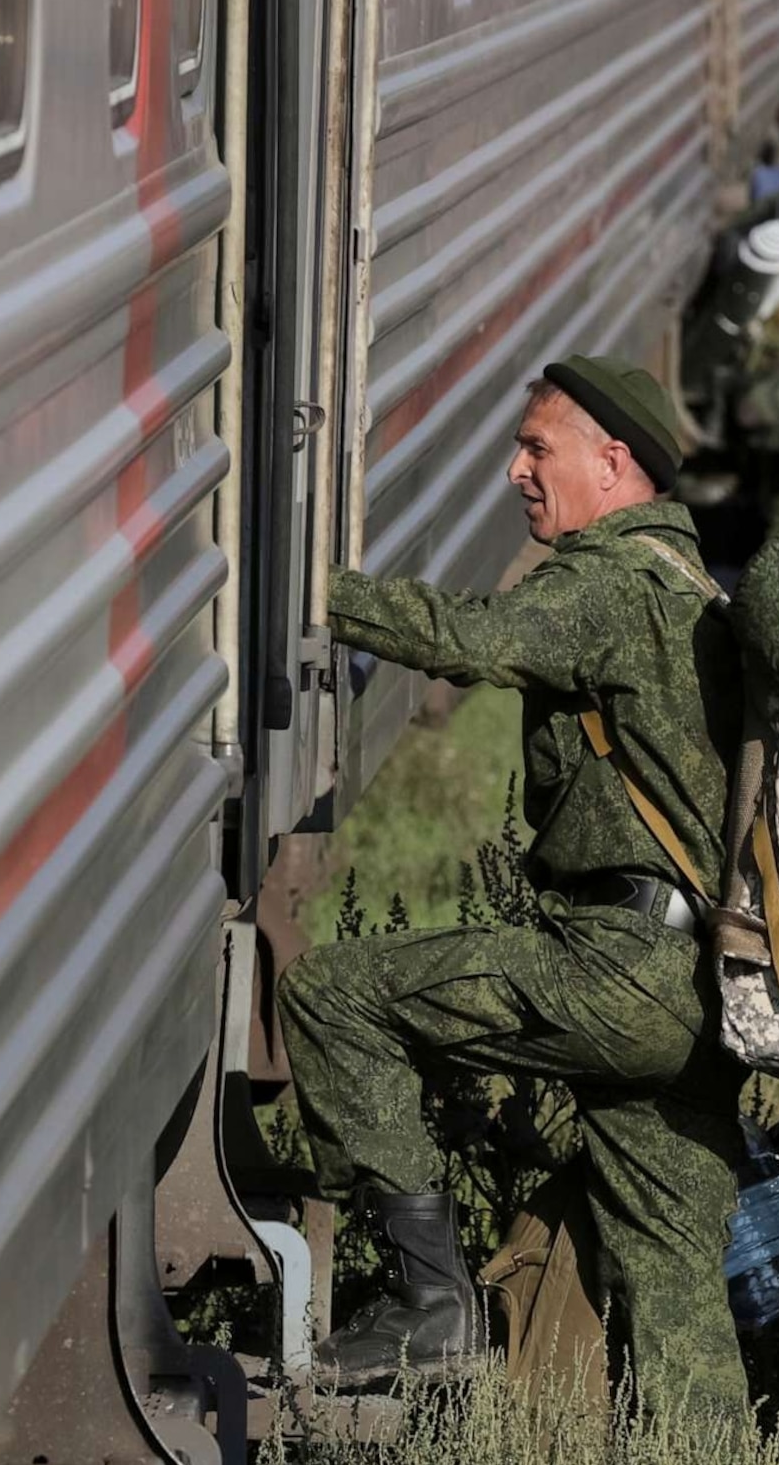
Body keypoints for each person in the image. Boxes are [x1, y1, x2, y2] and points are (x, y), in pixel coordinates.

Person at [282, 358, 748, 1411]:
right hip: (699, 983)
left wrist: (305, 591)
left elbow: (472, 639)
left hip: (614, 970)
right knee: (676, 1288)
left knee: (333, 992)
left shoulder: (606, 584)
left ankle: (433, 1304)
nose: (515, 471)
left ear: (611, 462)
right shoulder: (692, 586)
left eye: (538, 448)